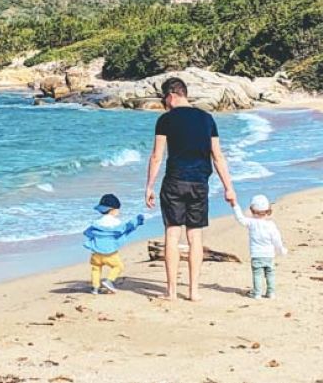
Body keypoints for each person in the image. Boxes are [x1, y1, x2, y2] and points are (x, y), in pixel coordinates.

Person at [145, 77, 237, 301]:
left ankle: (171, 291)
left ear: (171, 95)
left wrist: (149, 186)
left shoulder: (165, 120)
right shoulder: (207, 119)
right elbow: (218, 156)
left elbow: (157, 156)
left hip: (175, 181)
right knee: (195, 236)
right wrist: (229, 188)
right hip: (200, 183)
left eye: (163, 98)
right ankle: (194, 291)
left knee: (172, 234)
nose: (164, 103)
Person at [82, 193, 146, 294]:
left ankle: (95, 288)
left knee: (96, 269)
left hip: (96, 254)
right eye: (118, 209)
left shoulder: (96, 222)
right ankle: (109, 281)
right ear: (113, 210)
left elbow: (87, 232)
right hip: (110, 254)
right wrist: (138, 220)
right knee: (118, 267)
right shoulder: (116, 223)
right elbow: (126, 228)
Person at [232, 194, 287, 299]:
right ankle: (271, 292)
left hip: (256, 255)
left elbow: (240, 218)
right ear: (268, 210)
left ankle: (257, 293)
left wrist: (235, 205)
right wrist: (281, 250)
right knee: (270, 273)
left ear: (252, 210)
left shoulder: (251, 223)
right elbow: (277, 240)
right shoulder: (271, 225)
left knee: (257, 274)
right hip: (269, 255)